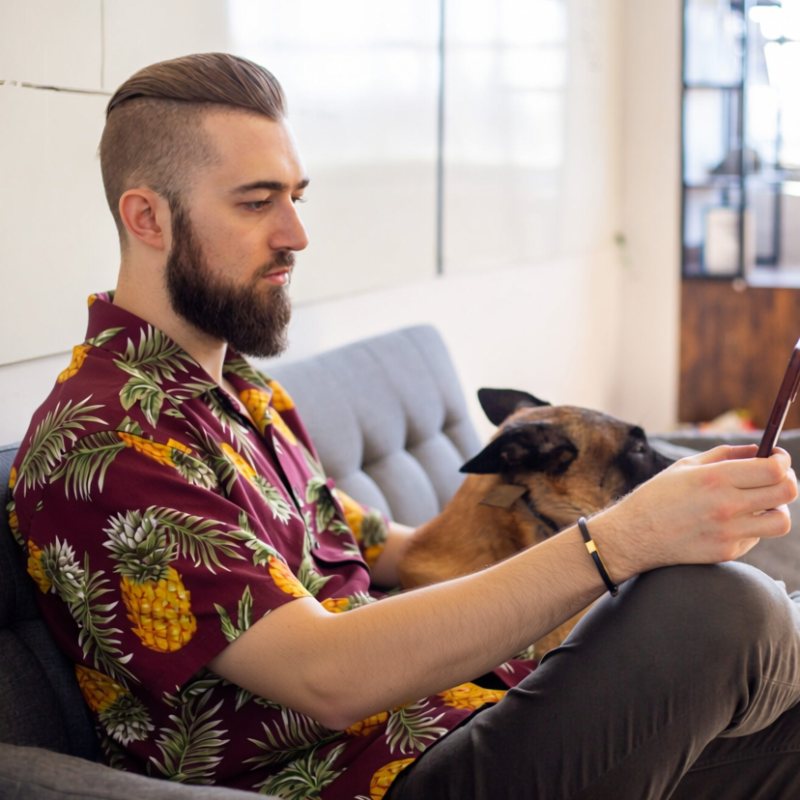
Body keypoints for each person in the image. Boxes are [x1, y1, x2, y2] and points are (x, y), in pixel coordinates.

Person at [7, 52, 800, 800]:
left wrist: (626, 514)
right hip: (378, 777)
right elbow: (325, 675)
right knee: (720, 610)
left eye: (296, 197)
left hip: (465, 715)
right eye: (256, 202)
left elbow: (401, 549)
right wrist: (617, 542)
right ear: (147, 217)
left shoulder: (243, 396)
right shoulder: (105, 442)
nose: (296, 234)